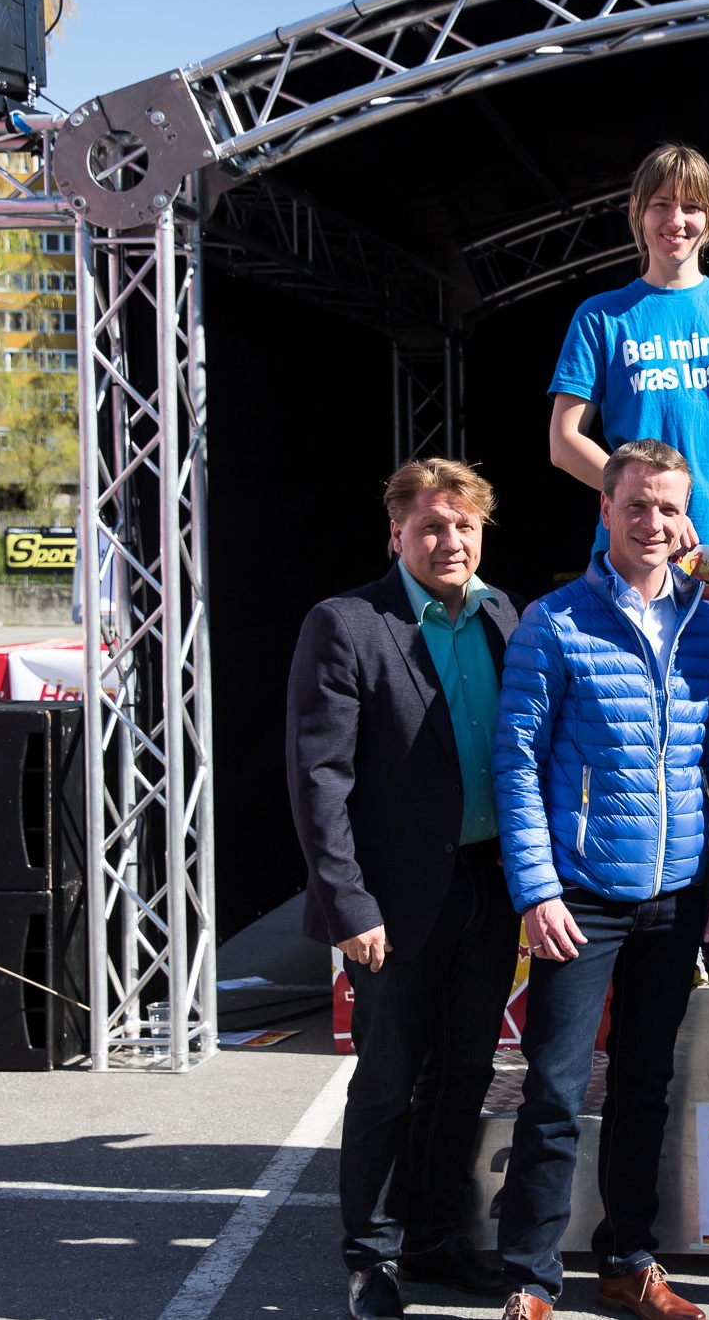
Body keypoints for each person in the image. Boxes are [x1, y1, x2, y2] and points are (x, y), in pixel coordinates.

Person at [491, 440, 709, 1320]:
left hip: (677, 896)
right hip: (581, 896)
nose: (653, 523)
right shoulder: (555, 620)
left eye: (669, 509)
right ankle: (531, 1275)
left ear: (689, 519)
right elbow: (517, 761)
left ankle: (627, 1260)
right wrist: (536, 887)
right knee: (558, 1091)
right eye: (636, 505)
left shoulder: (706, 624)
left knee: (645, 1084)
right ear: (604, 510)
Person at [287, 459, 522, 1320]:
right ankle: (371, 1258)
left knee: (464, 1075)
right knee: (387, 1080)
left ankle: (435, 1237)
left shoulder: (504, 614)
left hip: (489, 888)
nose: (449, 540)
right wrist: (349, 904)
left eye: (463, 526)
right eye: (430, 526)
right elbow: (320, 780)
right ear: (396, 533)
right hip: (392, 904)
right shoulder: (347, 623)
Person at [543, 140, 709, 891]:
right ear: (637, 215)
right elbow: (562, 441)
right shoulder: (601, 315)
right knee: (638, 737)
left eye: (689, 206)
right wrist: (645, 502)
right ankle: (649, 903)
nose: (673, 219)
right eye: (659, 204)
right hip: (637, 559)